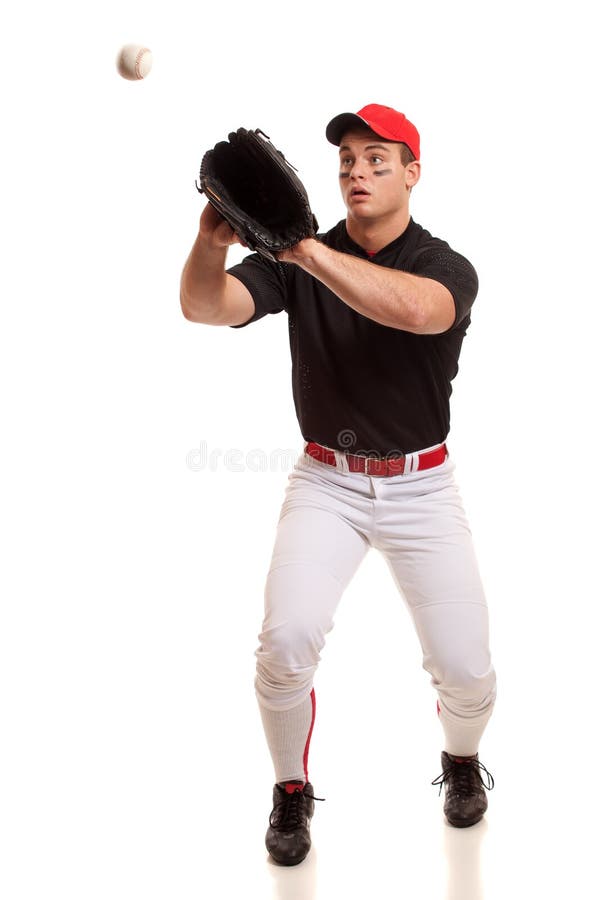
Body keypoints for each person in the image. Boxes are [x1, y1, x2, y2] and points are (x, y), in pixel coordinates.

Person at [180, 103, 497, 866]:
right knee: (285, 643)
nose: (358, 171)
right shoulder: (301, 255)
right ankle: (290, 788)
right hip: (327, 482)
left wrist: (304, 253)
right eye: (347, 160)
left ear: (412, 173)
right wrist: (208, 244)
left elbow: (417, 312)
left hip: (422, 488)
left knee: (467, 673)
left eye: (377, 159)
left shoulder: (443, 264)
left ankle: (460, 758)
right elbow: (203, 306)